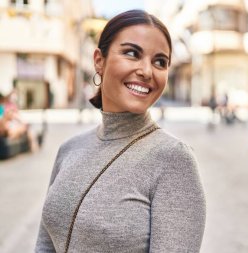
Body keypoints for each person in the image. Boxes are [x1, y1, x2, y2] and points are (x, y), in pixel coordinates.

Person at [35, 10, 206, 253]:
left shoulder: (174, 160)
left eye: (160, 62)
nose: (147, 71)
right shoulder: (69, 150)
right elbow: (44, 246)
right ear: (99, 60)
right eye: (132, 53)